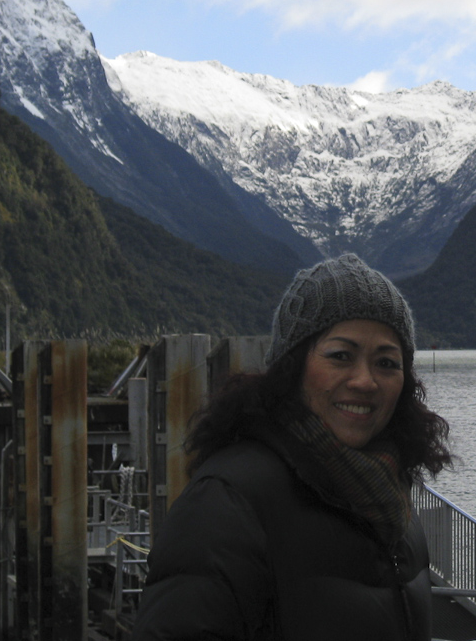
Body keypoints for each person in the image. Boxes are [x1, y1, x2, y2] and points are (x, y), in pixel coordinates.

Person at [133, 253, 451, 641]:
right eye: (341, 356)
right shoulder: (227, 502)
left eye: (387, 362)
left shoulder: (391, 496)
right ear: (292, 366)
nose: (365, 381)